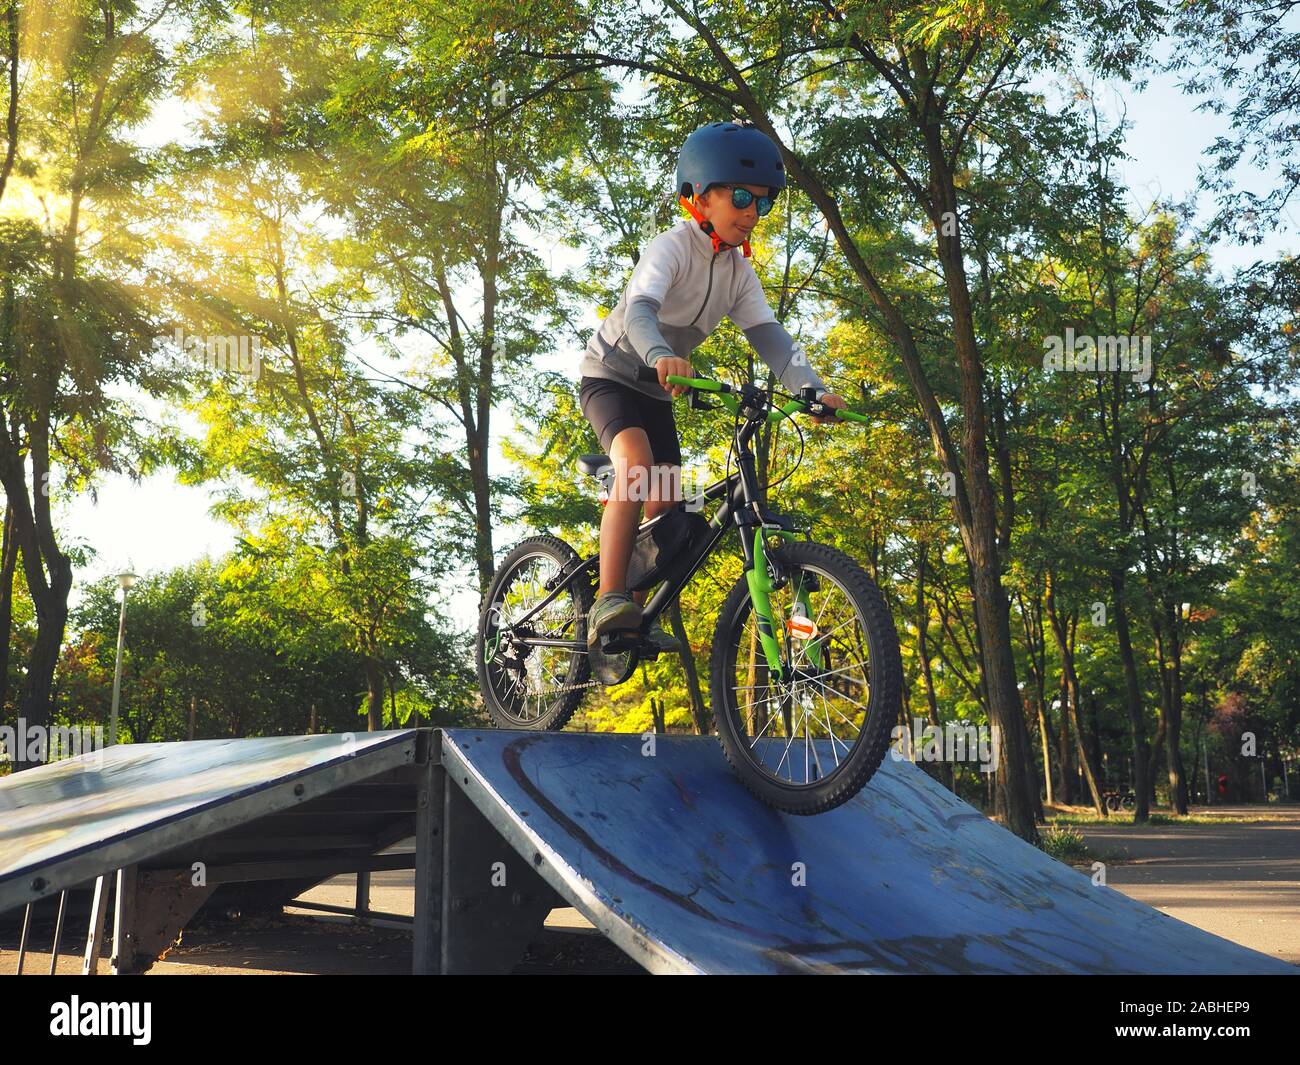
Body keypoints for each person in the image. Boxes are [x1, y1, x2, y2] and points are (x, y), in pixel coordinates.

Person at [577, 120, 846, 651]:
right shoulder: (670, 249)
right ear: (698, 197)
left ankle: (630, 608)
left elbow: (772, 340)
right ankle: (608, 596)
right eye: (741, 197)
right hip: (611, 375)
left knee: (671, 514)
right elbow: (640, 313)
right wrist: (660, 354)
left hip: (659, 391)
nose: (751, 213)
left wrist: (811, 389)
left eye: (762, 204)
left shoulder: (738, 273)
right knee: (635, 464)